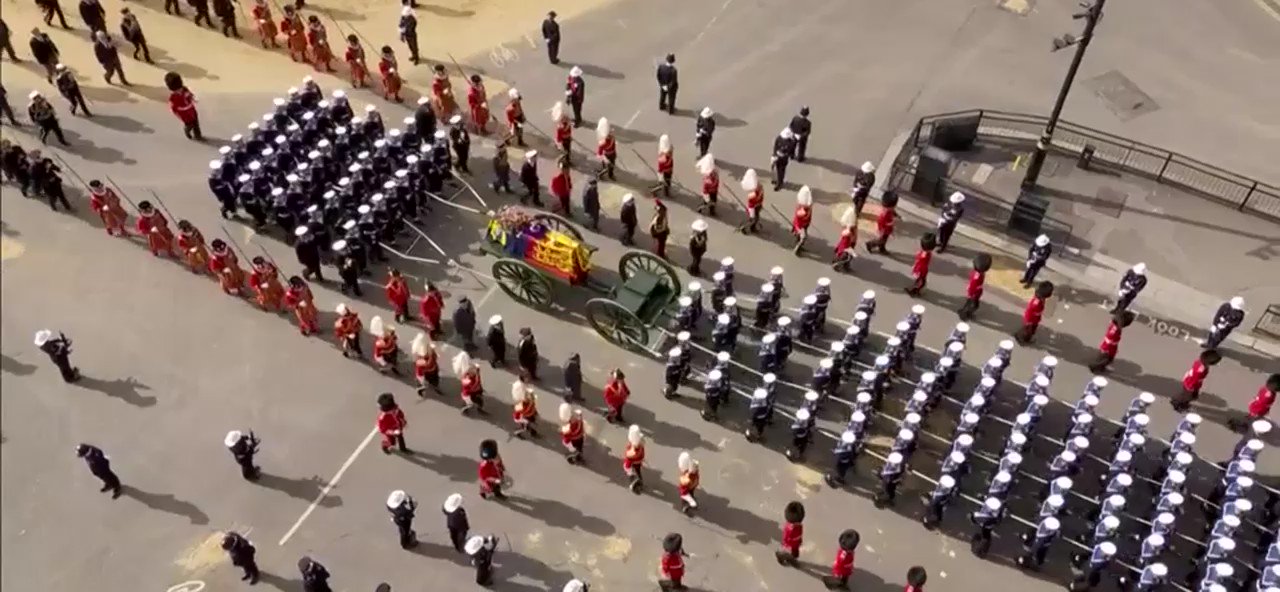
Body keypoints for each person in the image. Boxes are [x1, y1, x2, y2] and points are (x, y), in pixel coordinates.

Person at [165, 73, 201, 140]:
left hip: (192, 109)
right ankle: (187, 130)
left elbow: (189, 94)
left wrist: (193, 98)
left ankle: (198, 135)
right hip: (184, 114)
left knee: (196, 123)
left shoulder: (184, 89)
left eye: (180, 88)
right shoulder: (173, 98)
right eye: (177, 90)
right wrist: (178, 113)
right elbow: (174, 108)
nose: (180, 90)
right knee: (190, 124)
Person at [957, 253, 991, 319]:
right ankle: (965, 314)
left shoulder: (977, 273)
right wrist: (972, 294)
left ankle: (964, 311)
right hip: (974, 294)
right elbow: (973, 286)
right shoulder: (977, 277)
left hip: (974, 293)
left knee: (968, 303)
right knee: (974, 306)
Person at [776, 501, 805, 566]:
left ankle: (792, 558)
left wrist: (799, 540)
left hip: (795, 544)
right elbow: (786, 538)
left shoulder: (799, 525)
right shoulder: (789, 528)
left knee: (795, 553)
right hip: (790, 545)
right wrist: (788, 544)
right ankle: (781, 556)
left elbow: (799, 535)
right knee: (787, 552)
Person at [623, 424, 645, 493]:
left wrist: (627, 468)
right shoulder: (641, 444)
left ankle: (635, 483)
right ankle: (640, 480)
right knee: (638, 471)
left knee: (632, 474)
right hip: (639, 461)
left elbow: (628, 459)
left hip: (634, 462)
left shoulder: (633, 453)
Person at [792, 186, 813, 255]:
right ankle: (797, 248)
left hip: (805, 224)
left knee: (802, 236)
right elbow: (799, 221)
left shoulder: (807, 208)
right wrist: (798, 229)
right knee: (803, 237)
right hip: (800, 225)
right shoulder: (801, 211)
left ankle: (799, 245)